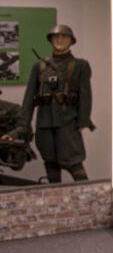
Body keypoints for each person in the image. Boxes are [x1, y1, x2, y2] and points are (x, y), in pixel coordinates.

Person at [3, 24, 93, 183]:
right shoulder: (39, 66)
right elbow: (29, 98)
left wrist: (83, 121)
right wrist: (22, 126)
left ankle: (88, 193)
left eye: (64, 37)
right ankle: (54, 195)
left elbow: (86, 95)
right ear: (50, 40)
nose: (59, 40)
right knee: (50, 162)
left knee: (74, 162)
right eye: (55, 37)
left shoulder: (80, 65)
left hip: (67, 122)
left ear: (71, 41)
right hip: (44, 122)